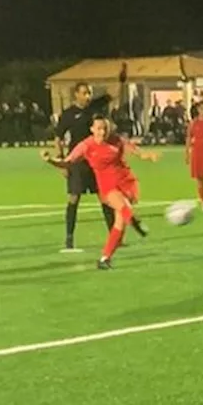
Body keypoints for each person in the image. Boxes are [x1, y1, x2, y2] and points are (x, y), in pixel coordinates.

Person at [42, 115, 156, 269]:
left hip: (125, 181)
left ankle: (104, 258)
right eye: (99, 129)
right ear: (92, 129)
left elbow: (135, 150)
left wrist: (148, 155)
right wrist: (50, 160)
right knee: (122, 206)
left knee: (119, 224)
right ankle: (135, 222)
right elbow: (67, 162)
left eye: (105, 129)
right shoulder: (86, 146)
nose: (102, 132)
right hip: (107, 186)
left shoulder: (116, 140)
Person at [54, 82, 116, 252]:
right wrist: (62, 162)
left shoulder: (95, 107)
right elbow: (58, 138)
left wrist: (121, 78)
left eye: (89, 93)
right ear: (76, 95)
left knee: (104, 197)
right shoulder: (68, 114)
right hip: (78, 162)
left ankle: (114, 235)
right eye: (84, 93)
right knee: (74, 198)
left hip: (95, 160)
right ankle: (69, 238)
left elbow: (114, 93)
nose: (88, 96)